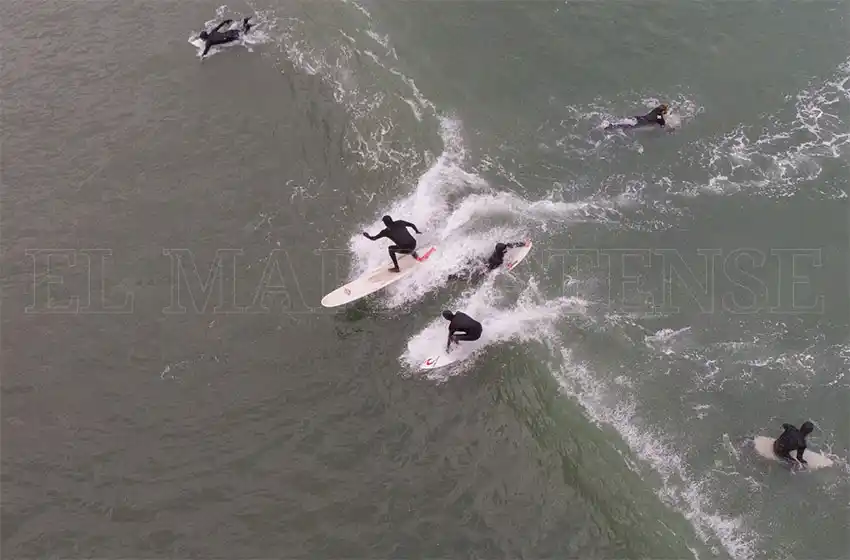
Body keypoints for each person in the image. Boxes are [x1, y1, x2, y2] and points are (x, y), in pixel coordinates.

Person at [448, 241, 528, 282]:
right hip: (488, 267)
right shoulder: (498, 259)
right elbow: (501, 266)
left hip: (486, 262)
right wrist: (509, 265)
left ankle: (454, 273)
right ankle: (452, 276)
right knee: (474, 276)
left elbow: (510, 245)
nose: (506, 248)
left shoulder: (499, 249)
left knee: (472, 268)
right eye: (504, 248)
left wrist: (524, 243)